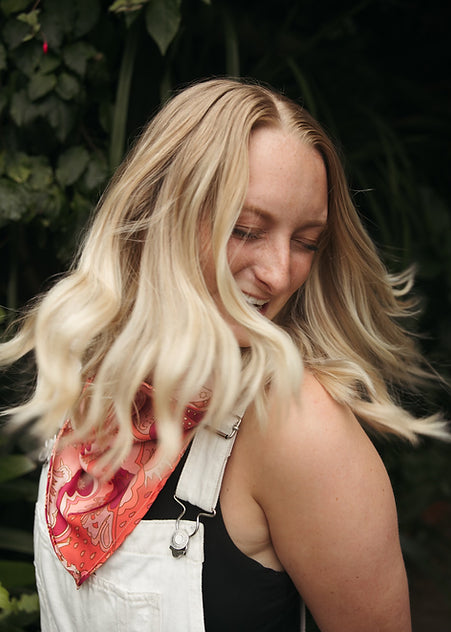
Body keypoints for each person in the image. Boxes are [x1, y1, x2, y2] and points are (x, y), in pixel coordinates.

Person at [0, 78, 448, 632]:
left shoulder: (297, 426)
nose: (281, 272)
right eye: (247, 229)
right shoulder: (86, 376)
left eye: (306, 240)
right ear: (160, 214)